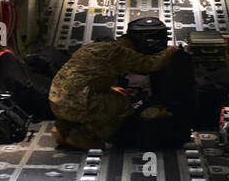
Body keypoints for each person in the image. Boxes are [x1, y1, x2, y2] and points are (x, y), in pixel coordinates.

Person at [49, 17, 179, 150]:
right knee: (122, 105)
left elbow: (87, 77)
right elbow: (150, 65)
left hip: (56, 100)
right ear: (130, 46)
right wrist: (170, 52)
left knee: (108, 97)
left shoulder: (90, 47)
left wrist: (110, 89)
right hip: (77, 104)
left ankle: (61, 130)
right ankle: (85, 136)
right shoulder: (119, 52)